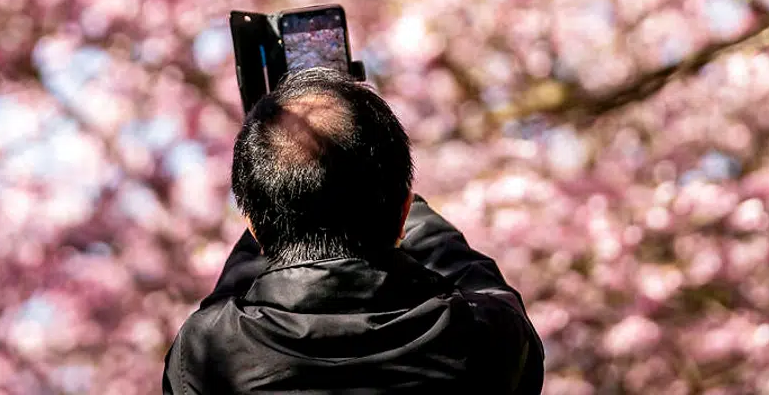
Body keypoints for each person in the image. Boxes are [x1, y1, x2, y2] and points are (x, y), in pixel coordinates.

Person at [163, 67, 545, 394]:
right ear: (403, 214)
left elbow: (223, 304)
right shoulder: (482, 339)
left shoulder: (206, 355)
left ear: (255, 231)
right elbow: (482, 285)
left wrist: (274, 192)